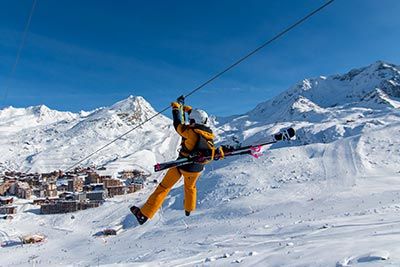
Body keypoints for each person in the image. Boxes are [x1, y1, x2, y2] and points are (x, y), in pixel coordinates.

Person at [130, 97, 215, 225]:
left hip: (181, 165)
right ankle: (188, 210)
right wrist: (189, 111)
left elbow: (178, 125)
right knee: (190, 188)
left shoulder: (190, 132)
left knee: (164, 187)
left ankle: (144, 214)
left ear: (193, 121)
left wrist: (176, 109)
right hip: (196, 168)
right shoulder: (208, 134)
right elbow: (196, 120)